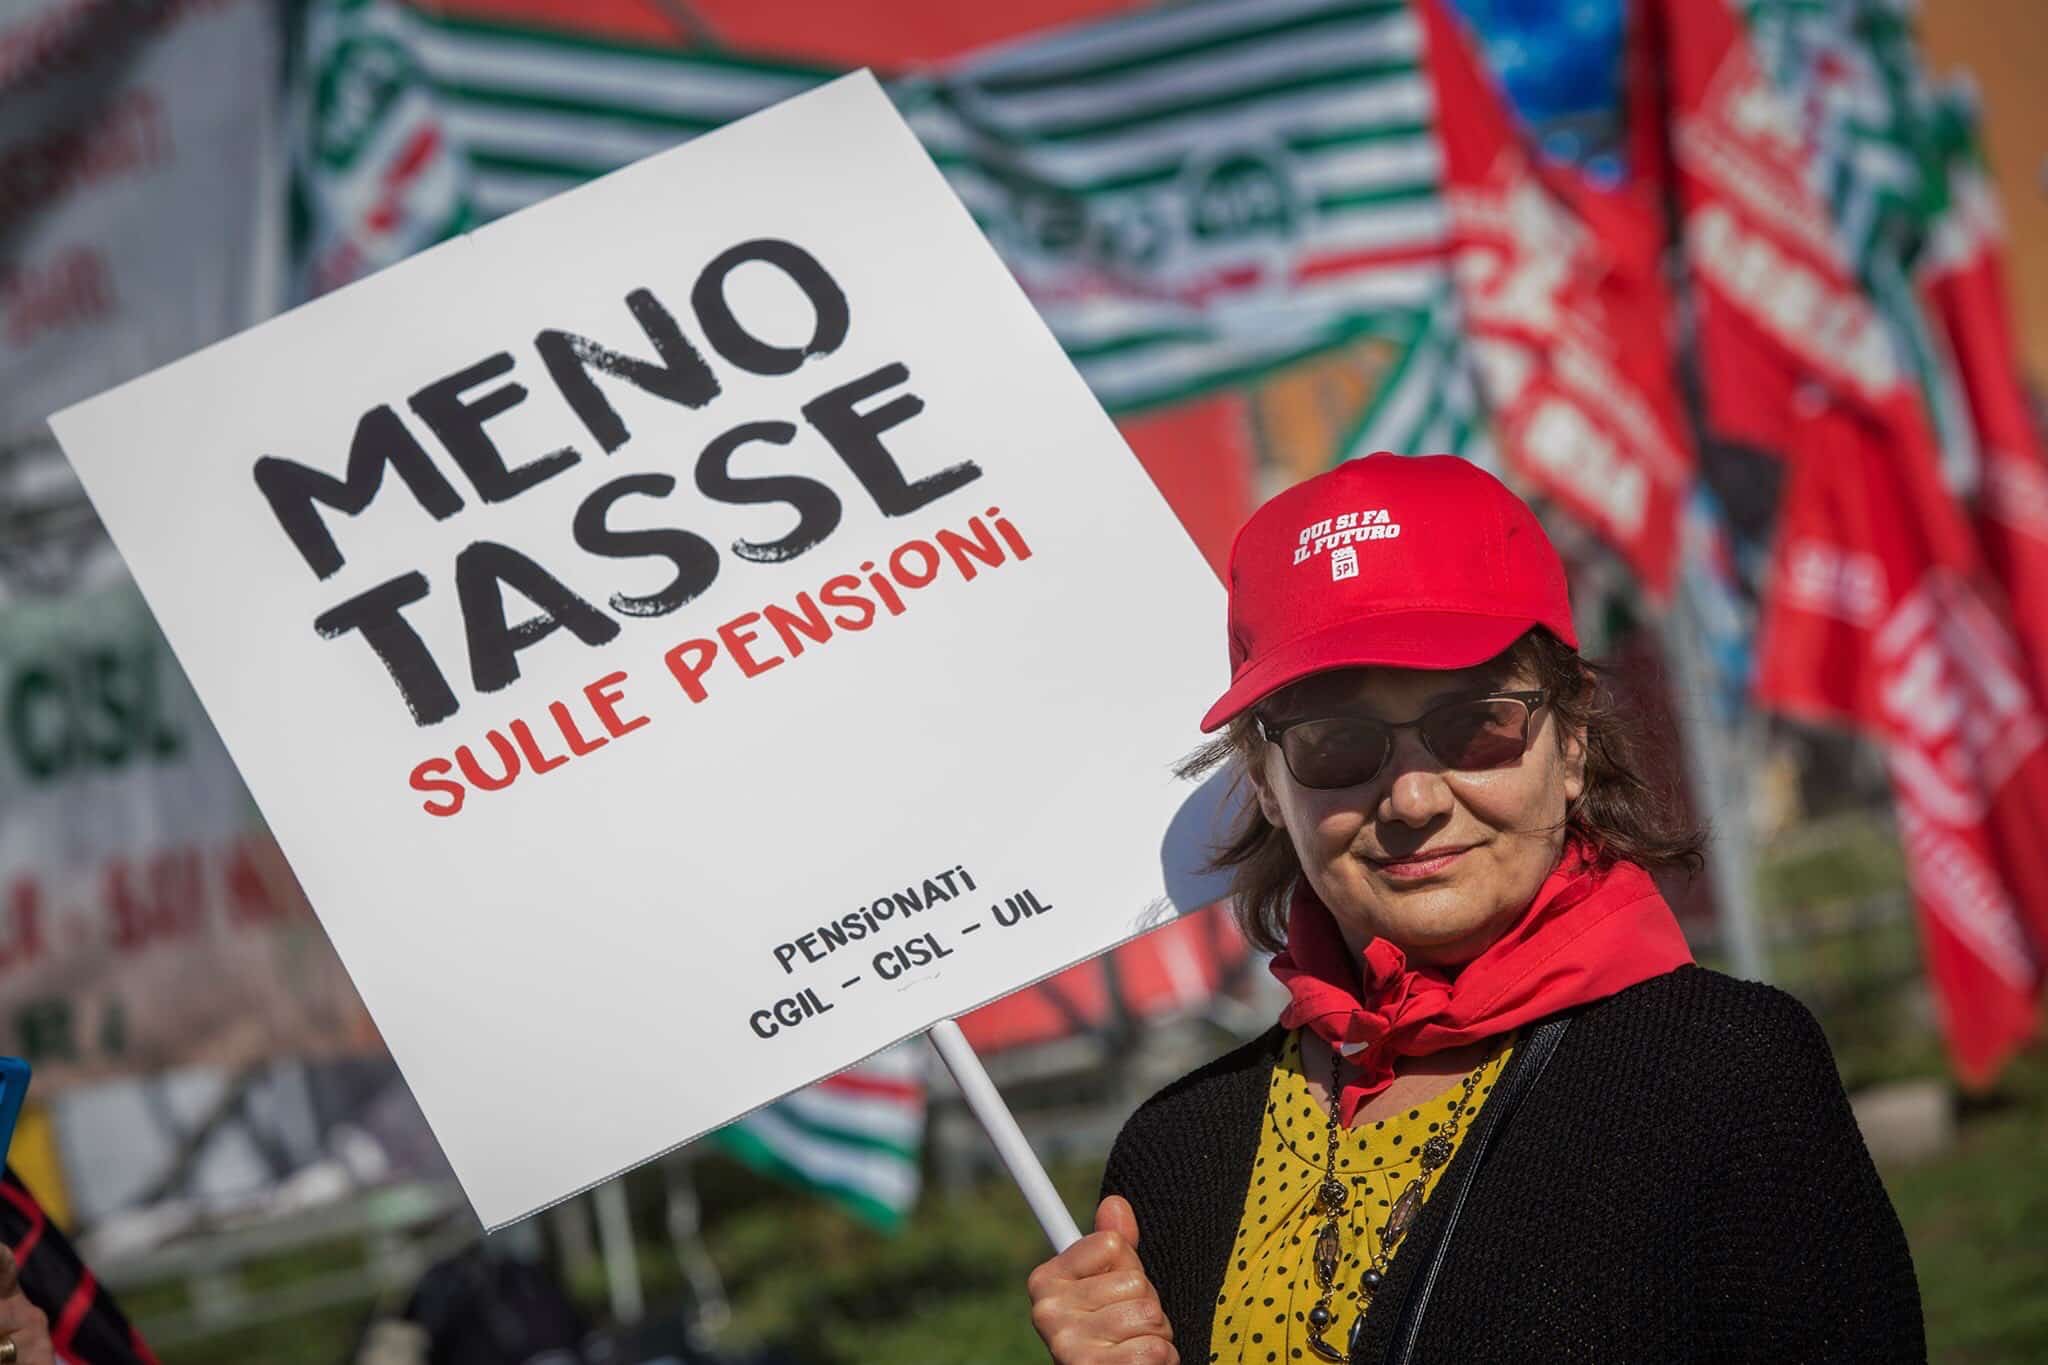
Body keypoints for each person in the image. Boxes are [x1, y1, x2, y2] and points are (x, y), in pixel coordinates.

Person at [1026, 455, 1923, 1364]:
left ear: (1571, 741)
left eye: (1475, 723)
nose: (1413, 798)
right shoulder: (1177, 1155)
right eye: (1339, 743)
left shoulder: (1727, 1077)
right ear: (1265, 783)